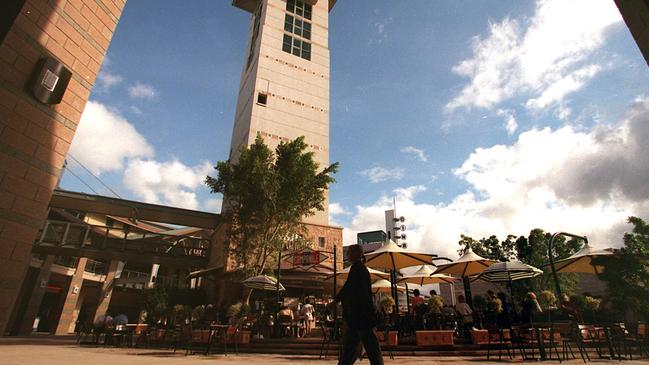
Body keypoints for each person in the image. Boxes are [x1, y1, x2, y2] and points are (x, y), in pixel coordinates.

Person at [331, 244, 383, 365]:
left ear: (356, 254)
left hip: (360, 316)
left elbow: (348, 288)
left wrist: (335, 301)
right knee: (357, 349)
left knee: (368, 349)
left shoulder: (357, 268)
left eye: (349, 252)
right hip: (360, 316)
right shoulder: (361, 268)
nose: (347, 255)